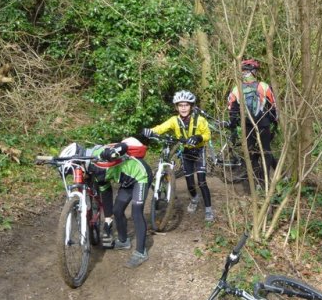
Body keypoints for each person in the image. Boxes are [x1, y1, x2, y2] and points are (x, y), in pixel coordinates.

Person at [142, 90, 215, 222]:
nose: (183, 108)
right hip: (186, 152)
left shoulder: (200, 120)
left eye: (186, 105)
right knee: (189, 182)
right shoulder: (174, 120)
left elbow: (207, 134)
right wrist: (150, 131)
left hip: (198, 152)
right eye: (180, 105)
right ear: (176, 107)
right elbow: (161, 128)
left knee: (202, 181)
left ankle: (209, 209)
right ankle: (194, 199)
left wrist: (199, 137)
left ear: (191, 106)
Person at [92, 137, 153, 268]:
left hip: (141, 176)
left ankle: (141, 252)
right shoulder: (96, 176)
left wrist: (111, 153)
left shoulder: (99, 154)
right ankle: (124, 241)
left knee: (136, 212)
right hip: (127, 181)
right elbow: (106, 195)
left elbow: (123, 146)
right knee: (117, 210)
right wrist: (108, 221)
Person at [227, 58, 278, 188]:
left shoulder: (236, 89)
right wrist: (273, 122)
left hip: (247, 126)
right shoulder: (264, 86)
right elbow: (273, 107)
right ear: (254, 72)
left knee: (251, 153)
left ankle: (257, 181)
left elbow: (232, 110)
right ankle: (265, 181)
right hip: (263, 124)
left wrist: (234, 124)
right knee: (266, 151)